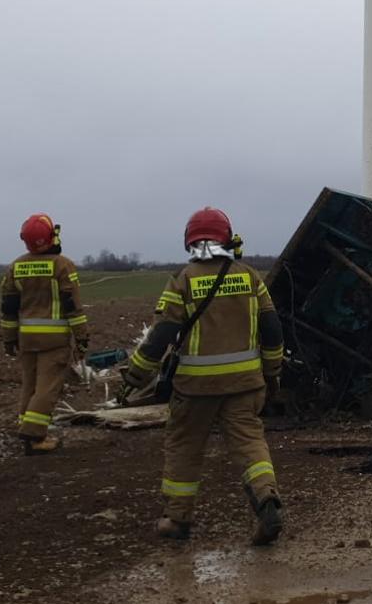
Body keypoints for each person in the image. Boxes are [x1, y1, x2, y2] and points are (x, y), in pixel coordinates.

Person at [122, 208, 286, 544]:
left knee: (184, 447)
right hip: (244, 384)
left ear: (190, 240)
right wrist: (272, 373)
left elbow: (162, 333)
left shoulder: (182, 279)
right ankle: (266, 499)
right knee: (250, 443)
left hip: (194, 388)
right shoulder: (250, 277)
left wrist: (137, 374)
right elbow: (272, 329)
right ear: (227, 237)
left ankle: (178, 520)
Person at [1, 213, 88, 455]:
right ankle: (35, 436)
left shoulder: (15, 267)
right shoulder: (63, 266)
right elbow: (73, 306)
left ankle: (26, 428)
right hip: (55, 340)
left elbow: (8, 309)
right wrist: (81, 337)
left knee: (29, 386)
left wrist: (9, 338)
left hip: (26, 338)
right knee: (47, 389)